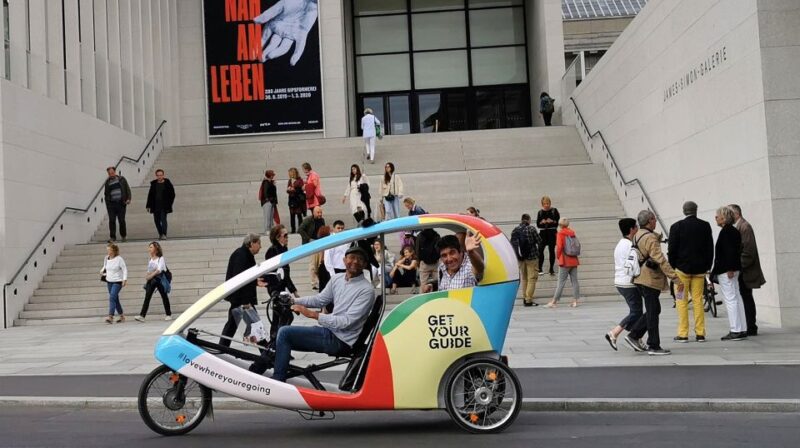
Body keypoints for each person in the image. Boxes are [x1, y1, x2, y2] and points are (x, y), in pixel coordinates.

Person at [248, 246, 376, 382]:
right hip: (330, 332)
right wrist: (292, 300)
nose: (355, 261)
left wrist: (312, 314)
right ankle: (255, 372)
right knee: (281, 338)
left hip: (341, 340)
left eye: (360, 259)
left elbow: (346, 322)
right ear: (344, 260)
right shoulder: (337, 279)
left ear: (365, 264)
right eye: (352, 257)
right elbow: (320, 300)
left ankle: (277, 379)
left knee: (285, 333)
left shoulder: (366, 290)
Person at [626, 210, 681, 356]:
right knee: (652, 311)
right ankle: (653, 345)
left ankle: (635, 334)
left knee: (654, 309)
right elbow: (660, 259)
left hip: (639, 277)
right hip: (649, 278)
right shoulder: (650, 237)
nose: (656, 222)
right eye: (654, 219)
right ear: (650, 221)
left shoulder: (637, 234)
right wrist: (675, 277)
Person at [667, 201, 713, 343]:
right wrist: (707, 266)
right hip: (699, 271)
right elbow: (710, 248)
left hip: (681, 272)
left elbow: (672, 250)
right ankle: (700, 333)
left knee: (681, 300)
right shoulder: (705, 226)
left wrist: (674, 267)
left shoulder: (676, 227)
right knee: (698, 300)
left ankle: (683, 333)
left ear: (683, 211)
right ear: (696, 210)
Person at [219, 234, 267, 347]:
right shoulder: (242, 255)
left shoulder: (244, 254)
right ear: (251, 244)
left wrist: (255, 282)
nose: (260, 246)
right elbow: (239, 278)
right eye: (258, 243)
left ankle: (222, 347)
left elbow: (245, 276)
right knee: (255, 323)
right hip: (242, 298)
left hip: (240, 297)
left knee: (232, 325)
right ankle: (265, 351)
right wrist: (246, 301)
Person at [604, 218, 643, 350]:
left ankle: (636, 338)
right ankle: (614, 333)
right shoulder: (629, 245)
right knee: (636, 312)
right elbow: (634, 264)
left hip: (620, 282)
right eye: (636, 226)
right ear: (632, 229)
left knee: (635, 312)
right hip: (628, 283)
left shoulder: (620, 243)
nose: (638, 228)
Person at [729, 204, 766, 336]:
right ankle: (748, 325)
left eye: (730, 213)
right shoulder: (740, 226)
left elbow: (748, 251)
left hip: (746, 270)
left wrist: (738, 266)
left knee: (746, 297)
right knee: (745, 297)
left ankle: (751, 326)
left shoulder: (745, 227)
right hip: (744, 269)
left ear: (736, 214)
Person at [712, 206, 747, 341]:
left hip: (728, 270)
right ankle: (742, 328)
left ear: (724, 218)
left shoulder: (726, 232)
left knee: (731, 299)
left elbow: (730, 252)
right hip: (732, 269)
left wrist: (730, 268)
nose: (716, 217)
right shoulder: (733, 231)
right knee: (737, 297)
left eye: (718, 215)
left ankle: (735, 330)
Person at [134, 241, 173, 322]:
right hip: (153, 280)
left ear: (156, 249)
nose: (149, 249)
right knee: (147, 296)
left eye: (151, 247)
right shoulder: (151, 260)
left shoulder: (160, 258)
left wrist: (150, 276)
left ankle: (168, 314)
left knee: (164, 296)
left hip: (160, 280)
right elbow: (149, 271)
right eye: (149, 247)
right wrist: (148, 276)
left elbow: (159, 270)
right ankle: (142, 315)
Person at [546, 218, 580, 308]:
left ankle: (554, 302)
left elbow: (560, 247)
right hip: (574, 260)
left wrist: (558, 256)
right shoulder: (572, 232)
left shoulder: (560, 233)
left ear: (560, 225)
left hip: (565, 261)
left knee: (561, 282)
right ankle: (575, 301)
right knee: (575, 281)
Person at [510, 214, 542, 307]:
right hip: (532, 257)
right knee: (532, 279)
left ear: (521, 220)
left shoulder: (515, 230)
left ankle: (525, 298)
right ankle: (528, 300)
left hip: (520, 258)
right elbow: (539, 241)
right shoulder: (531, 229)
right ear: (528, 220)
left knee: (524, 278)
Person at [264, 225, 299, 299]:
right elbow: (273, 273)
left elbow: (285, 272)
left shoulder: (283, 248)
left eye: (287, 235)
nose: (287, 238)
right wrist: (293, 290)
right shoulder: (272, 251)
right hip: (276, 288)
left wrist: (294, 290)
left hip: (281, 286)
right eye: (285, 236)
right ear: (277, 237)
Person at [299, 206, 326, 290]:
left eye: (321, 212)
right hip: (312, 242)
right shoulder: (308, 220)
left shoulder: (322, 220)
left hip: (320, 242)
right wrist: (308, 238)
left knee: (320, 263)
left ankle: (321, 280)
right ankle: (313, 283)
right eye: (318, 212)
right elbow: (300, 229)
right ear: (313, 213)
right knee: (313, 264)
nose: (320, 214)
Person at [145, 169, 175, 241]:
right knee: (156, 220)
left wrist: (169, 204)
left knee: (163, 219)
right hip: (155, 205)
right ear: (156, 176)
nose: (159, 177)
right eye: (158, 175)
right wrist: (148, 205)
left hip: (164, 206)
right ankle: (160, 234)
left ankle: (164, 234)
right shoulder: (154, 184)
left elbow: (172, 194)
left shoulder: (167, 183)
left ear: (163, 175)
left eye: (161, 175)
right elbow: (150, 195)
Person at [101, 242, 128, 324]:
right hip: (109, 281)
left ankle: (110, 316)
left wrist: (124, 279)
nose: (108, 251)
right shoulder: (106, 258)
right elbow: (105, 267)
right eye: (107, 250)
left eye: (109, 250)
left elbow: (124, 269)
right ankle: (122, 316)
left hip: (117, 281)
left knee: (112, 297)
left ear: (113, 250)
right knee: (115, 299)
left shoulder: (119, 259)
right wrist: (102, 271)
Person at [104, 166, 132, 242]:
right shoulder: (107, 182)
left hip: (121, 203)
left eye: (112, 173)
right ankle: (112, 237)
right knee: (112, 220)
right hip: (112, 204)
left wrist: (128, 198)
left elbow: (127, 189)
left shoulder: (122, 179)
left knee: (121, 220)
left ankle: (123, 236)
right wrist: (108, 204)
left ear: (115, 172)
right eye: (109, 173)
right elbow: (106, 194)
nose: (111, 174)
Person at [536, 196, 560, 275]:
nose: (546, 205)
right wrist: (541, 222)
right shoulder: (540, 212)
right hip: (543, 233)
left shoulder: (554, 210)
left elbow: (557, 223)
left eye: (548, 203)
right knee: (540, 250)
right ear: (542, 204)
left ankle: (551, 269)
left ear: (550, 203)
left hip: (552, 233)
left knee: (551, 250)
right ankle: (540, 268)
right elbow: (538, 225)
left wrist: (552, 221)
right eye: (545, 204)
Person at [415, 227, 441, 292]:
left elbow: (417, 249)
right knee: (437, 283)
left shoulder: (420, 236)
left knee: (423, 284)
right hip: (435, 262)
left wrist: (418, 260)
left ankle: (422, 299)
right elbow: (439, 247)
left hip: (424, 262)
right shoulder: (436, 235)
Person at [286, 167, 306, 234]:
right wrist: (288, 190)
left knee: (299, 215)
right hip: (291, 200)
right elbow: (288, 189)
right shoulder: (290, 180)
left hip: (298, 200)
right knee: (292, 215)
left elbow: (301, 190)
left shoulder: (299, 180)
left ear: (293, 173)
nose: (289, 175)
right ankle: (293, 229)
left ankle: (300, 229)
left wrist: (294, 189)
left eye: (290, 173)